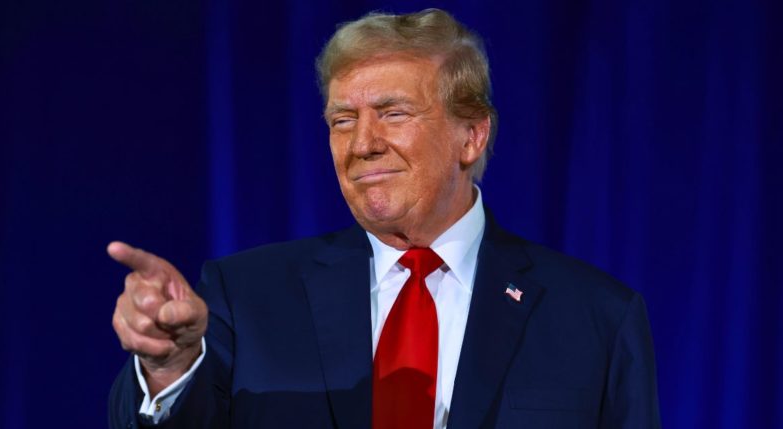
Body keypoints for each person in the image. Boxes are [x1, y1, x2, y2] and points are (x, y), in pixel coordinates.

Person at [107, 8, 661, 429]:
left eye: (393, 114)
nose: (362, 144)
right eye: (342, 120)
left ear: (472, 135)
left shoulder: (598, 318)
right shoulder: (246, 296)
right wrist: (171, 368)